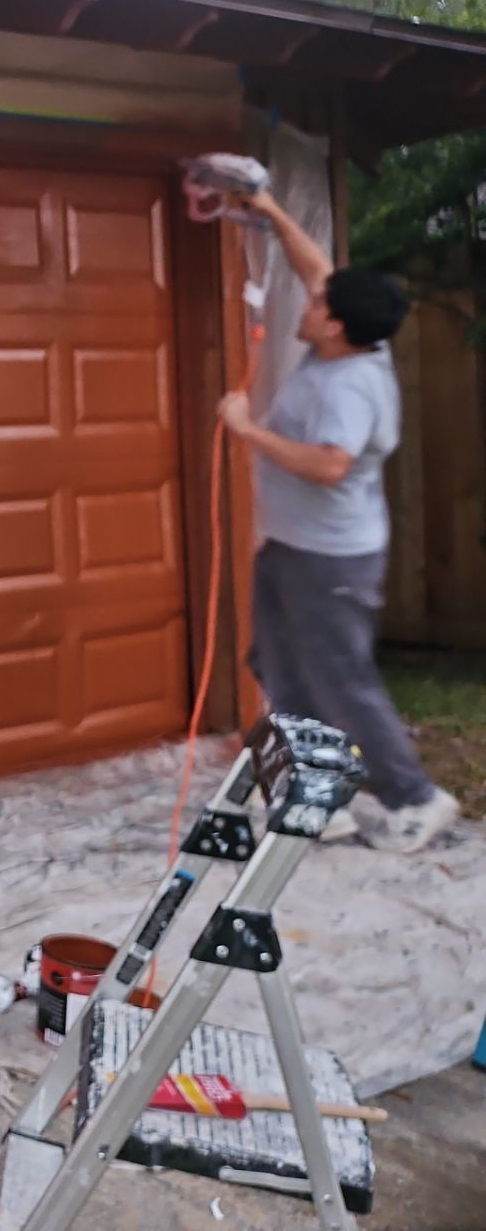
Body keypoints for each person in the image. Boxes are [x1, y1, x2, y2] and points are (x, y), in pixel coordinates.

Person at [217, 187, 459, 854]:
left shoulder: (351, 386)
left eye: (321, 306)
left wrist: (248, 432)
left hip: (332, 559)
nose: (312, 301)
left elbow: (328, 464)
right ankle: (320, 794)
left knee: (339, 676)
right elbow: (316, 268)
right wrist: (267, 209)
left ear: (335, 327)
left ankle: (417, 798)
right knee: (275, 663)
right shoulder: (346, 344)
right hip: (290, 547)